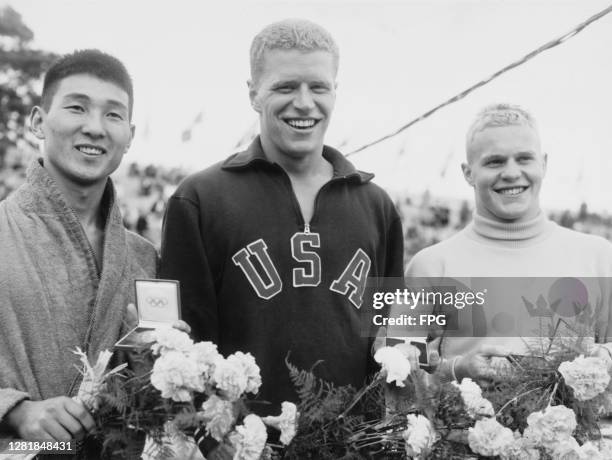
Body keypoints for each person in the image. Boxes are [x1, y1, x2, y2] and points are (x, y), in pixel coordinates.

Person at [160, 19, 404, 414]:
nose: (305, 103)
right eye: (285, 86)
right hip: (239, 446)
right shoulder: (200, 198)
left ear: (335, 92)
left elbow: (393, 341)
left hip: (352, 446)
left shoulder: (377, 206)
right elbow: (185, 351)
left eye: (318, 87)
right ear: (254, 93)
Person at [0, 50, 157, 448]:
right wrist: (16, 410)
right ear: (38, 121)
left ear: (130, 136)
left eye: (113, 115)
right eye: (76, 108)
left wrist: (159, 364)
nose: (95, 128)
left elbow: (155, 405)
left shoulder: (144, 258)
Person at [403, 103, 612, 382]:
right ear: (468, 172)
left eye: (524, 158)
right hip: (459, 425)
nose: (512, 173)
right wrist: (457, 369)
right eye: (495, 161)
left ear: (544, 164)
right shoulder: (429, 267)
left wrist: (604, 359)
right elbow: (394, 367)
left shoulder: (598, 257)